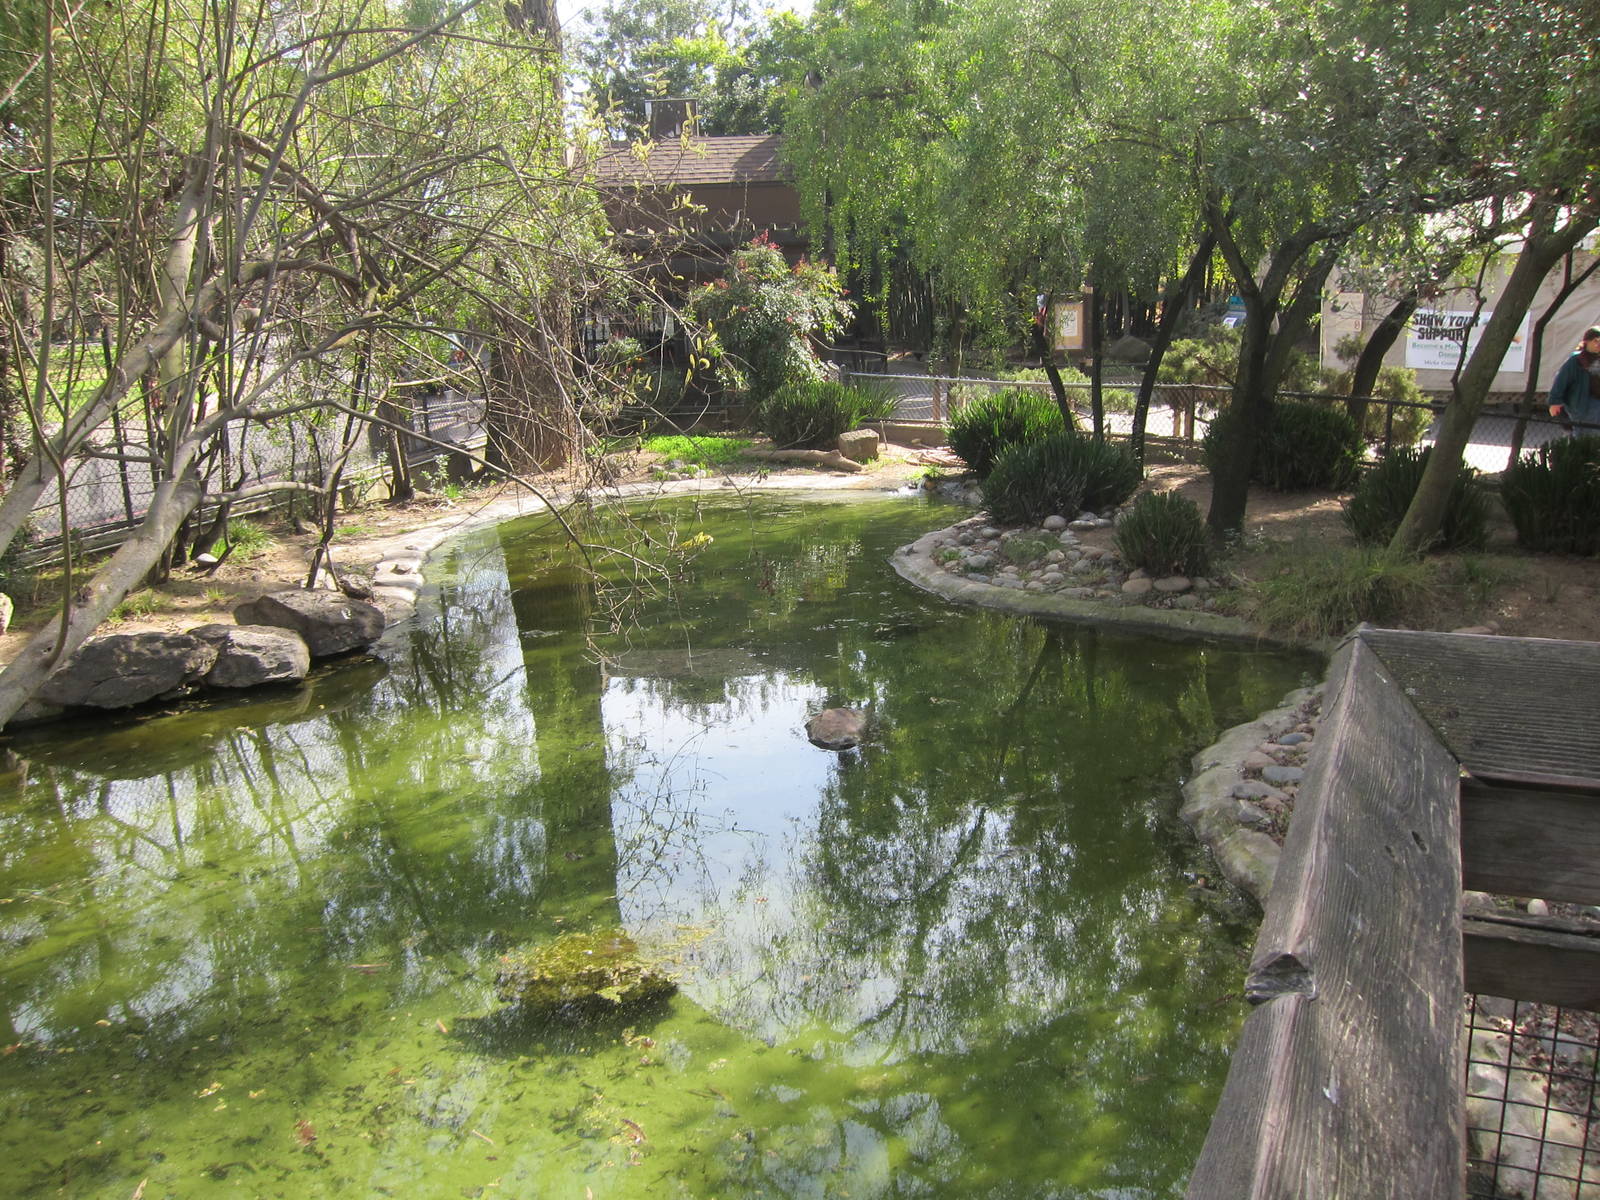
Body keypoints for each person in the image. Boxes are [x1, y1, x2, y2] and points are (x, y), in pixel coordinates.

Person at [1548, 325, 1600, 432]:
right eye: (1595, 341)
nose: (1599, 344)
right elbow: (1560, 382)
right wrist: (1554, 402)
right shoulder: (1576, 360)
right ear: (1586, 342)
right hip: (1582, 405)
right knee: (1584, 439)